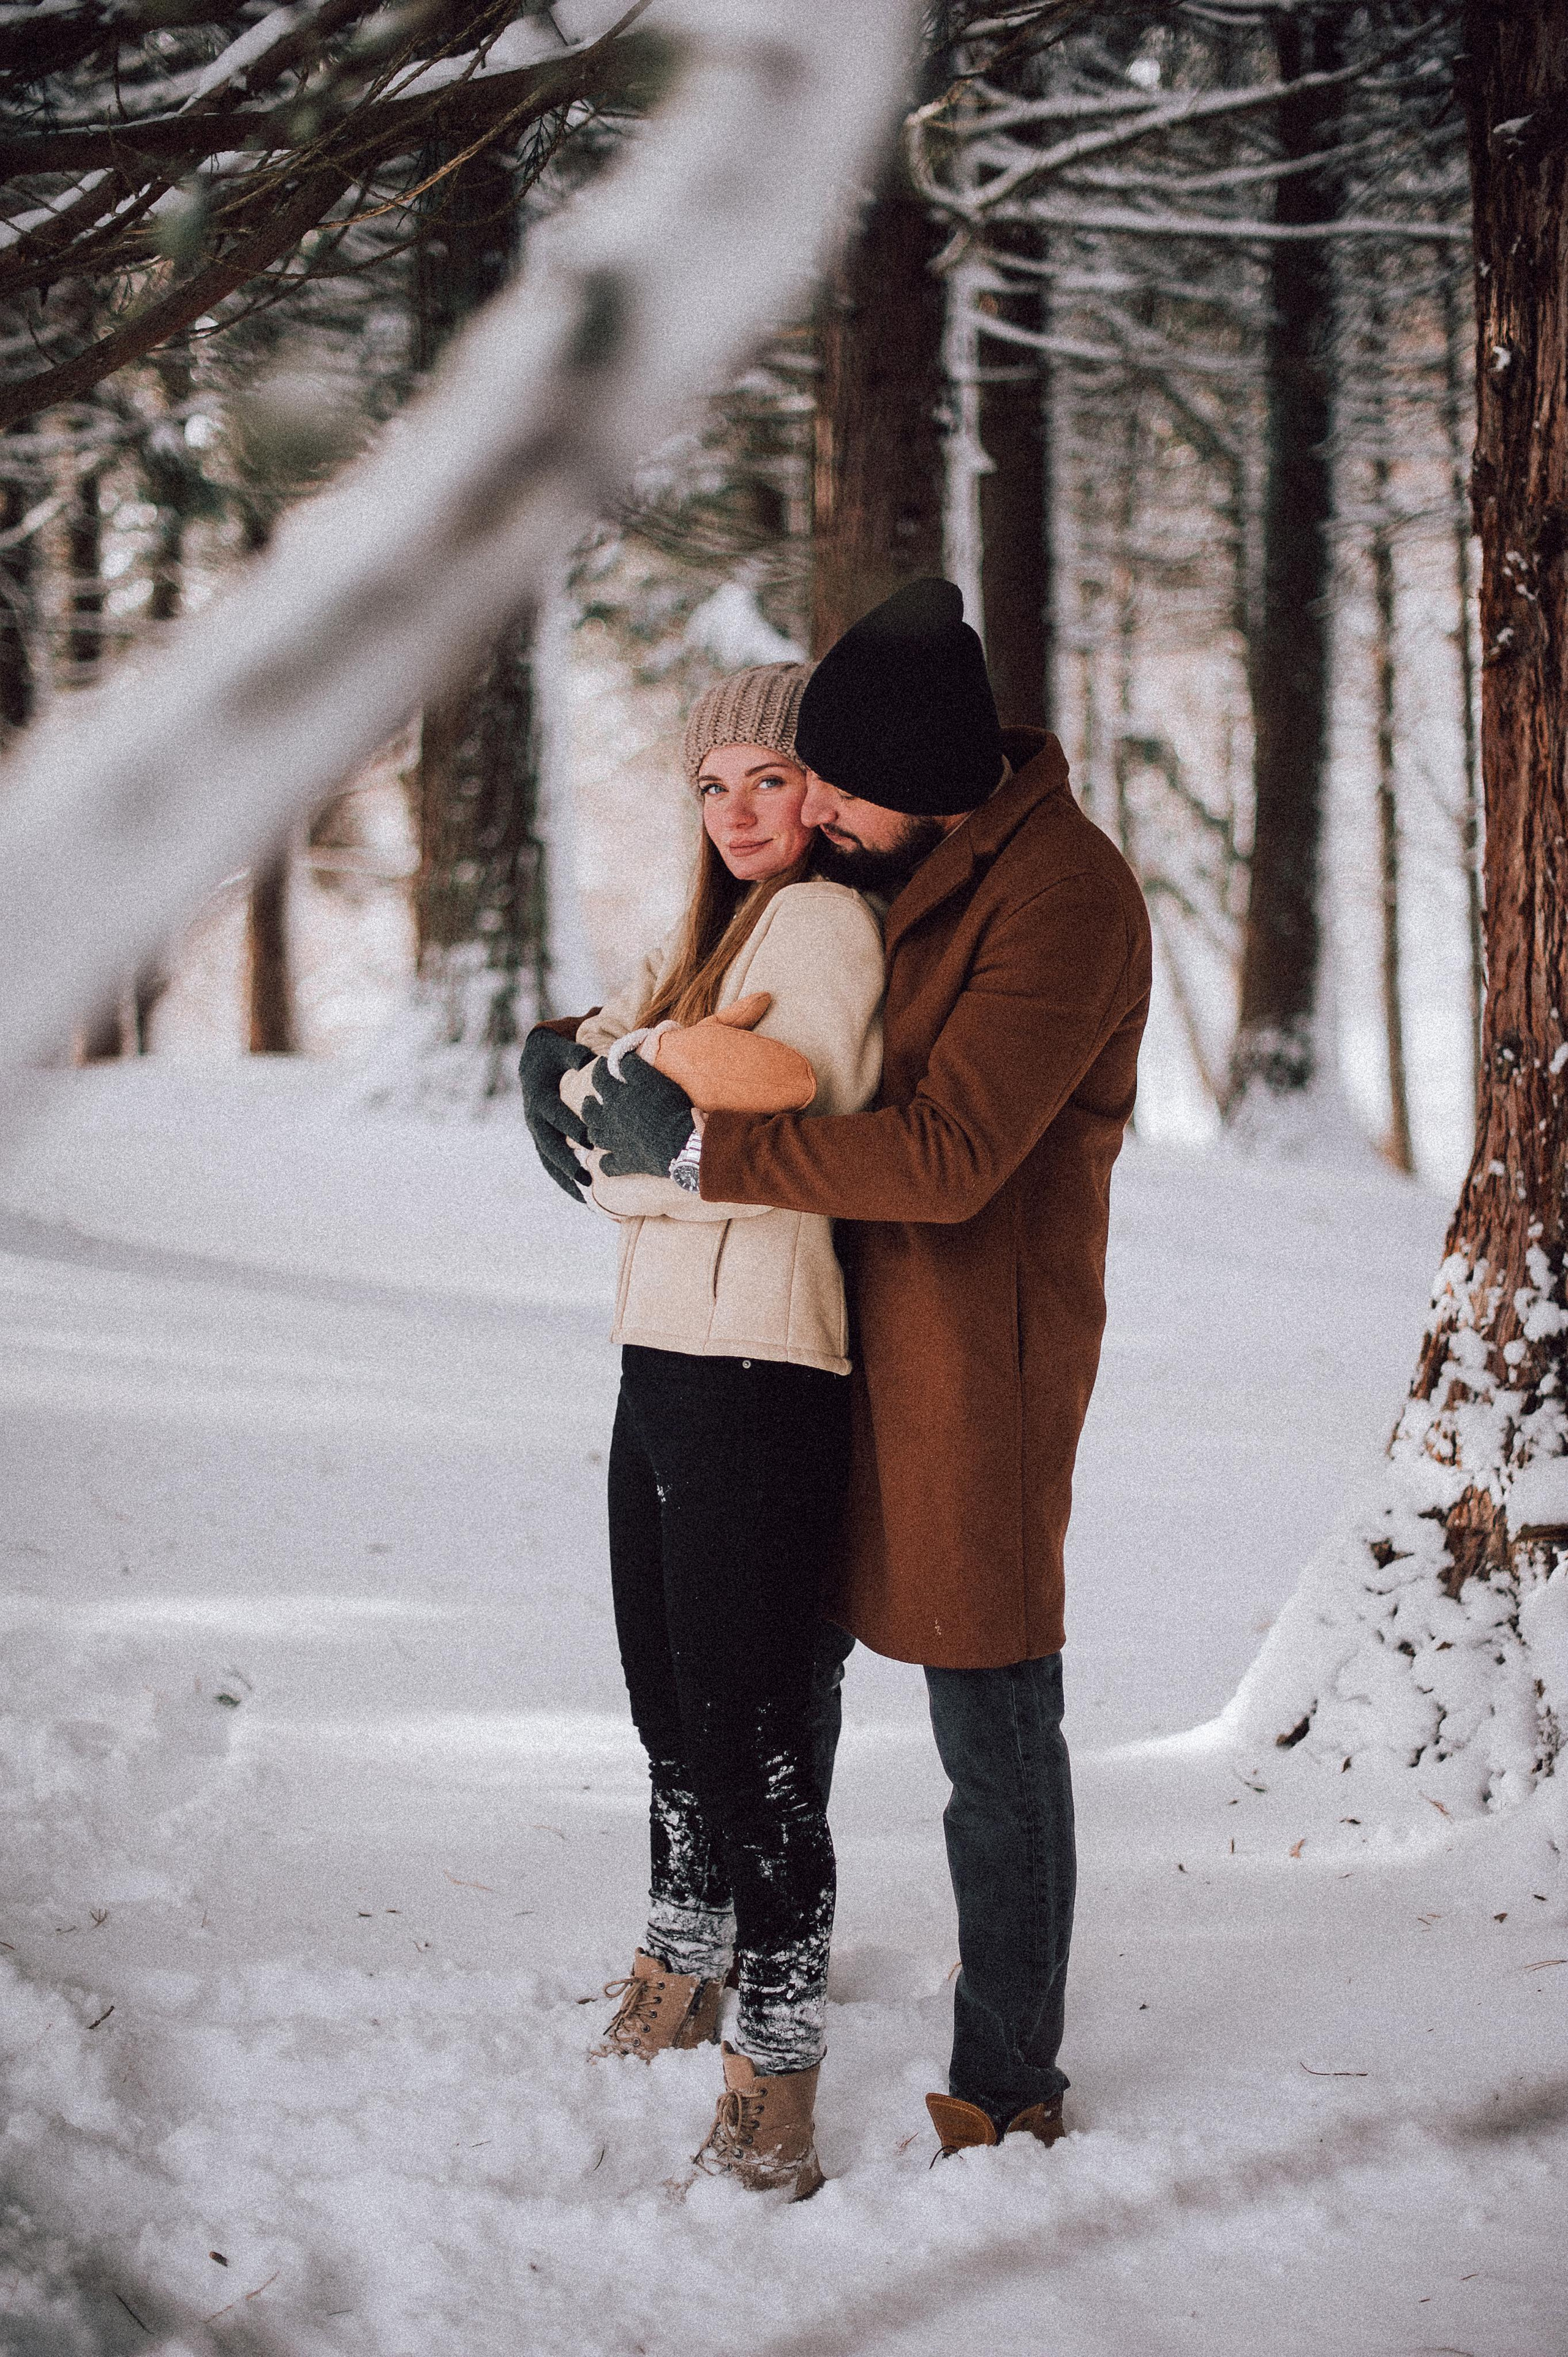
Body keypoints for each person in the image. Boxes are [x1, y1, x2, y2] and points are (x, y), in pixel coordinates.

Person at [570, 580, 1153, 2163]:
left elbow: (956, 1151)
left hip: (976, 1354)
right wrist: (585, 1056)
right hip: (829, 1329)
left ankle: (1008, 2073)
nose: (805, 807)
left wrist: (699, 1142)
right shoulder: (900, 851)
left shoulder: (1067, 899)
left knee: (992, 1712)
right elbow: (738, 993)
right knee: (786, 1672)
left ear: (924, 778)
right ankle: (765, 1962)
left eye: (830, 782)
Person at [520, 661, 884, 2200]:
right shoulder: (713, 935)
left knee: (747, 1741)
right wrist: (643, 1075)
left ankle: (775, 2073)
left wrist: (642, 1088)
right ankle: (683, 1952)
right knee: (665, 1699)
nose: (738, 813)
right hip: (661, 1344)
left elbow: (773, 1118)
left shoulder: (819, 923)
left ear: (822, 790)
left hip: (757, 1364)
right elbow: (569, 1112)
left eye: (769, 779)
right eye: (712, 785)